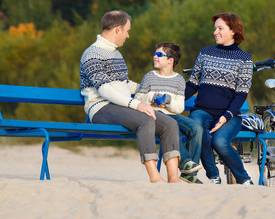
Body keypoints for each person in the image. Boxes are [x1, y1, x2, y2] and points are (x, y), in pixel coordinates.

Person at [79, 10, 180, 183]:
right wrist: (137, 104)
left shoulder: (116, 53)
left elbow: (125, 83)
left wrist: (149, 91)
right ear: (118, 30)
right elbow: (105, 90)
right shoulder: (92, 54)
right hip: (101, 108)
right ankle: (155, 177)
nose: (128, 35)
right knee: (145, 120)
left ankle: (173, 179)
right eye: (127, 30)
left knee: (170, 124)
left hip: (122, 107)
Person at [185, 12, 254, 185]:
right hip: (202, 111)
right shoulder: (206, 53)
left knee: (220, 142)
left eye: (220, 28)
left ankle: (244, 179)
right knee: (198, 131)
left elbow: (241, 94)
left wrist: (225, 117)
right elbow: (192, 84)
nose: (215, 32)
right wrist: (174, 100)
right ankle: (214, 176)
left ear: (233, 31)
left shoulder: (244, 59)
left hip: (229, 116)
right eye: (215, 28)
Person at [135, 42, 204, 184]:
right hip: (155, 115)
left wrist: (168, 100)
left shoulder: (179, 80)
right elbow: (138, 99)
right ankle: (186, 163)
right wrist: (152, 97)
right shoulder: (149, 77)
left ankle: (190, 174)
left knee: (196, 128)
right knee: (173, 127)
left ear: (170, 60)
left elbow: (179, 108)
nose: (155, 56)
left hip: (172, 114)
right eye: (155, 53)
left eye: (159, 54)